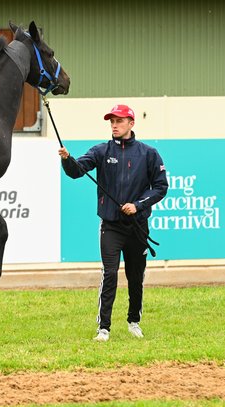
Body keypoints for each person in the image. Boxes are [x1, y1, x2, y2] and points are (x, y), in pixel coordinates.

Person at [58, 104, 168, 342]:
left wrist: (138, 205)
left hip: (137, 227)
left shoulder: (148, 154)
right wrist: (68, 160)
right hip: (111, 227)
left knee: (135, 276)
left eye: (119, 121)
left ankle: (134, 321)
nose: (114, 125)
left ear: (131, 123)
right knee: (109, 274)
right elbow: (76, 171)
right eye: (112, 122)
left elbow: (161, 187)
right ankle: (103, 328)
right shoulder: (101, 150)